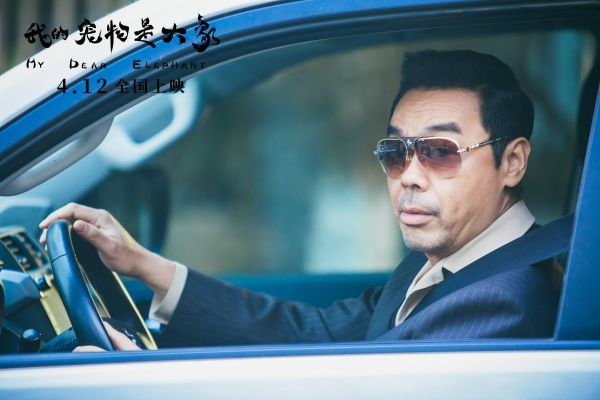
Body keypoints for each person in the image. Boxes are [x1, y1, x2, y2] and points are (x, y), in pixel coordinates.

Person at [39, 50, 561, 350]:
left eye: (440, 151)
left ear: (513, 162)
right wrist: (141, 263)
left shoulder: (502, 302)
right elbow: (317, 333)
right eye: (395, 151)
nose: (409, 176)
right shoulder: (445, 263)